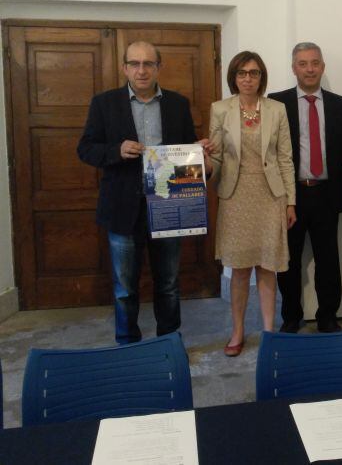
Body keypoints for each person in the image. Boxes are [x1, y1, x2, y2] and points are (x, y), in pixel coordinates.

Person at [77, 41, 197, 344]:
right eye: (135, 63)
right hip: (122, 207)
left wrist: (200, 155)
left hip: (168, 206)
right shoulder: (104, 103)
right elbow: (86, 149)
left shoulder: (177, 104)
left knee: (168, 284)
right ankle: (127, 345)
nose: (141, 70)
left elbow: (188, 150)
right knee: (124, 288)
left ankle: (168, 344)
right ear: (125, 67)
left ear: (159, 67)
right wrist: (116, 150)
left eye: (148, 64)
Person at [205, 51, 296, 356]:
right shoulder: (220, 109)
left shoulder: (277, 109)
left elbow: (285, 158)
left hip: (271, 195)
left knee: (268, 268)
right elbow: (216, 159)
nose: (247, 78)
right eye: (242, 73)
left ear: (261, 77)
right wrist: (204, 159)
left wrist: (290, 202)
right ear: (234, 77)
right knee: (240, 269)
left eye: (254, 73)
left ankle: (269, 332)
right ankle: (238, 330)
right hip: (235, 195)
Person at [268, 43, 342, 333]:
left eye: (315, 63)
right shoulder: (276, 103)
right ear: (293, 68)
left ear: (323, 66)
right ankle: (292, 317)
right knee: (288, 262)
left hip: (327, 194)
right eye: (303, 63)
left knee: (328, 260)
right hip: (290, 196)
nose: (309, 69)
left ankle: (327, 317)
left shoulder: (339, 104)